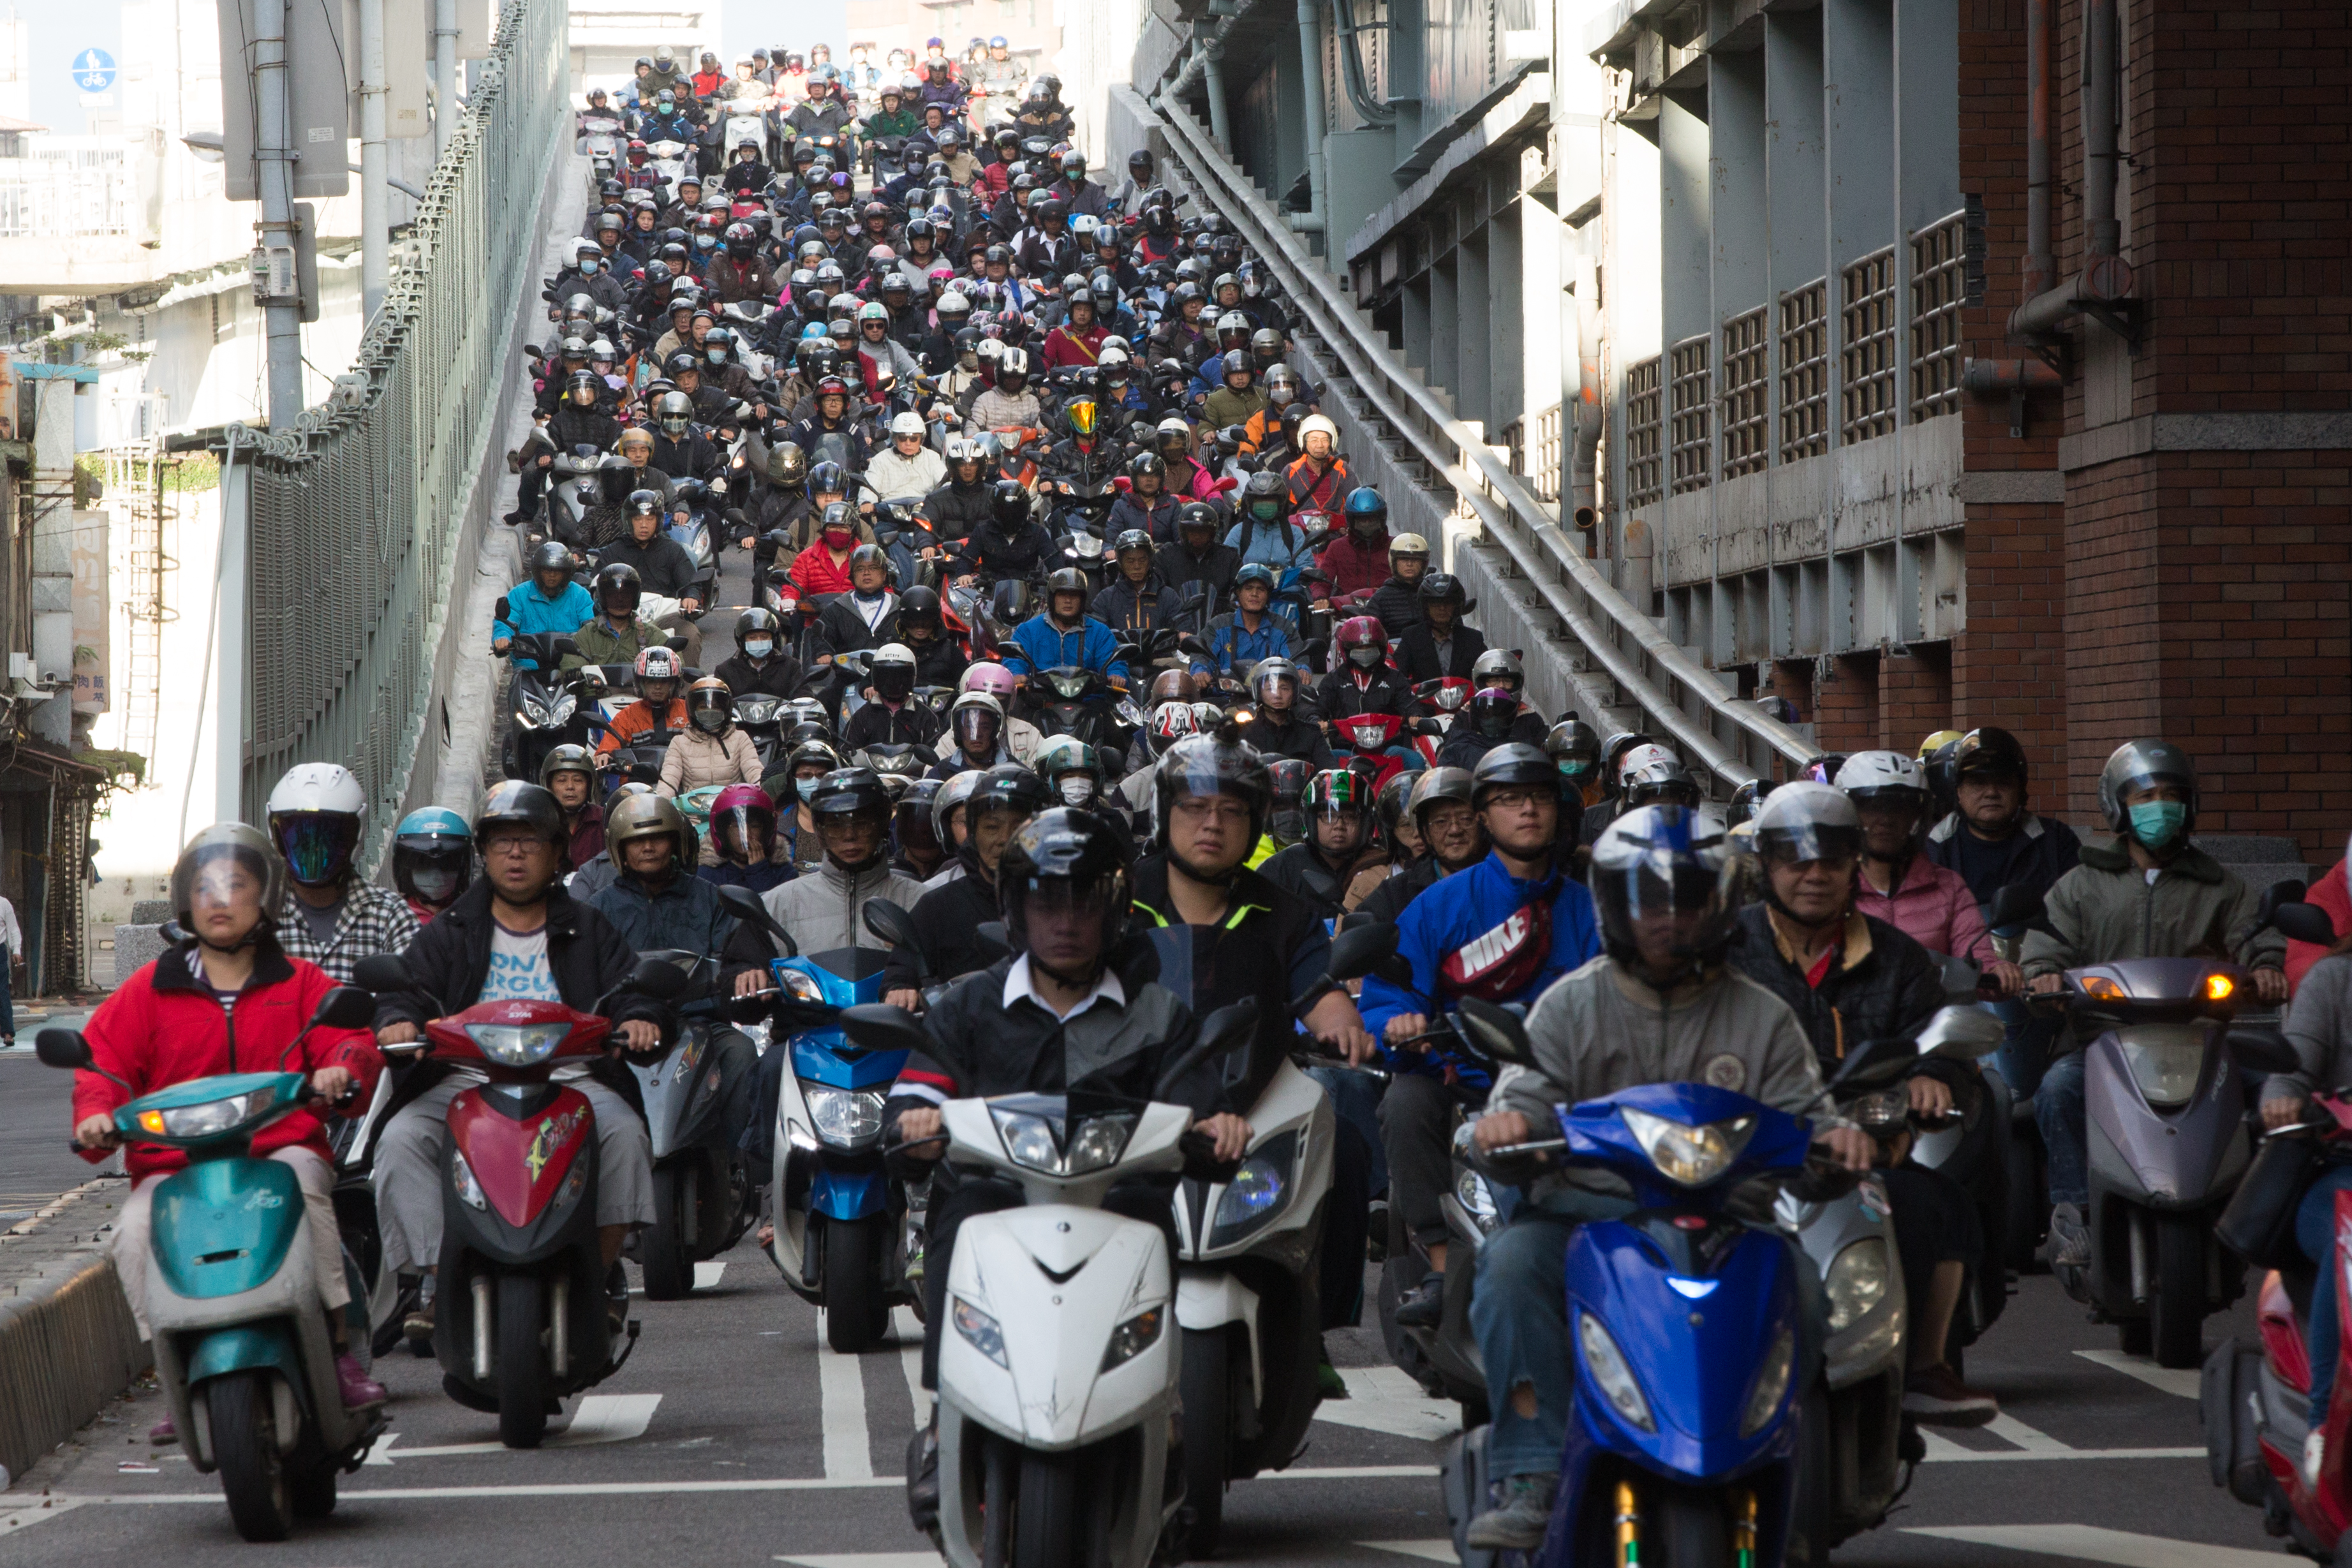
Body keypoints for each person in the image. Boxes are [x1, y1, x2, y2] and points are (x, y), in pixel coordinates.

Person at [1459, 805, 1873, 1547]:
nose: (1668, 918)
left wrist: (1838, 1143)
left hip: (1730, 1219)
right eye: (1648, 898)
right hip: (1589, 1215)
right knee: (1511, 1262)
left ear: (1720, 904)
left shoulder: (1763, 1016)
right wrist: (1510, 1124)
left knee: (1804, 1290)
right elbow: (1522, 1093)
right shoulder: (1571, 1003)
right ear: (1614, 904)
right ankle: (1536, 1468)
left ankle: (1783, 1465)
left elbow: (1807, 1116)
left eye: (1687, 898)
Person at [885, 807, 1253, 1525]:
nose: (1066, 919)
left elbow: (1197, 1104)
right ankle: (942, 1424)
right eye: (1046, 899)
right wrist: (917, 1124)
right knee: (957, 1220)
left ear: (1113, 907)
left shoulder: (1157, 1012)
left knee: (1154, 1219)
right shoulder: (969, 1004)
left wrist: (1220, 1125)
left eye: (1085, 899)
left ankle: (1162, 1414)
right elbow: (915, 1090)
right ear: (1016, 908)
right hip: (997, 1197)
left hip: (1117, 1202)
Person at [71, 825, 388, 1437]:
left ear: (265, 898)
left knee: (309, 1192)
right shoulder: (148, 990)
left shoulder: (299, 982)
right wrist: (97, 1113)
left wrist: (339, 1070)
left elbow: (350, 1039)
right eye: (205, 887)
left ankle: (338, 1348)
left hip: (281, 1151)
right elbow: (101, 1062)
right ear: (186, 901)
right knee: (133, 1231)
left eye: (236, 886)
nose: (220, 900)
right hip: (174, 1167)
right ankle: (174, 1366)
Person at [1727, 781, 1999, 1425]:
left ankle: (1926, 1364)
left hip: (1862, 1147)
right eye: (1796, 859)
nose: (1814, 875)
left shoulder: (1899, 957)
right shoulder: (1725, 950)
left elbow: (1940, 1036)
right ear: (1766, 866)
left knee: (1941, 1205)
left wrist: (1933, 1074)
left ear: (1855, 863)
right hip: (1743, 1148)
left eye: (1831, 858)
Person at [368, 784, 666, 1345]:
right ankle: (439, 1282)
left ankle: (596, 1275)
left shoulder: (588, 926)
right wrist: (398, 1020)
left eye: (531, 842)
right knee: (401, 1139)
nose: (516, 854)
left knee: (626, 1133)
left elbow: (631, 988)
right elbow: (406, 990)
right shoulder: (450, 930)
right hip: (465, 1078)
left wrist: (643, 1017)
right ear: (484, 851)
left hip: (571, 1075)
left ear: (558, 853)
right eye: (503, 841)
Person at [2023, 739, 2287, 1287]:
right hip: (2101, 1041)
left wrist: (2264, 967)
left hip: (2199, 1041)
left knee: (2278, 1096)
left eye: (2171, 795)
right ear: (2117, 805)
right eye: (2145, 795)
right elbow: (2045, 945)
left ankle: (2263, 1219)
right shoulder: (2081, 883)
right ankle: (2075, 1216)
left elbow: (2255, 939)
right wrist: (2044, 974)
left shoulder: (2219, 885)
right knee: (2056, 1092)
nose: (2159, 806)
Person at [1357, 744, 1599, 1327]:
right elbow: (1387, 997)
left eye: (1539, 797)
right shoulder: (1437, 905)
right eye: (1509, 799)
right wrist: (1399, 1023)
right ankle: (1441, 1260)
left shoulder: (1591, 911)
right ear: (1484, 816)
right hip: (1459, 1078)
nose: (1527, 811)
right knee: (1404, 1101)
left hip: (1566, 1088)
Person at [1921, 725, 2082, 1089]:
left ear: (2021, 787)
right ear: (1958, 792)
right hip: (1966, 994)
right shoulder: (1934, 849)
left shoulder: (2056, 843)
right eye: (1977, 783)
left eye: (2003, 782)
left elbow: (2080, 918)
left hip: (2047, 993)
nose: (1990, 792)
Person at [723, 768, 931, 986]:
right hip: (806, 1019)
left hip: (898, 1018)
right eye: (836, 826)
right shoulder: (777, 905)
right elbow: (736, 977)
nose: (849, 836)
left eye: (861, 823)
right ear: (820, 832)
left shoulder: (923, 902)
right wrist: (749, 976)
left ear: (881, 825)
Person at [882, 766, 1047, 1007]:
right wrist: (900, 987)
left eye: (1019, 827)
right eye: (992, 827)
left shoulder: (1064, 904)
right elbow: (902, 968)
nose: (1004, 839)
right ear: (974, 833)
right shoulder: (937, 906)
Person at [1836, 751, 2008, 978]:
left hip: (1933, 1011)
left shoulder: (1949, 887)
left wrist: (1999, 972)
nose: (1886, 819)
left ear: (1916, 816)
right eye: (1874, 807)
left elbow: (1979, 961)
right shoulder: (1832, 888)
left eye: (1899, 808)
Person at [266, 763, 420, 982]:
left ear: (352, 836)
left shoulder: (388, 915)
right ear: (278, 836)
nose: (313, 849)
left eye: (327, 837)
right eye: (300, 837)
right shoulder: (261, 915)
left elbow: (415, 992)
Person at [588, 792, 737, 970]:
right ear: (620, 850)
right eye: (637, 840)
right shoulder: (600, 909)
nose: (648, 848)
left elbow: (732, 962)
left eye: (658, 838)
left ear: (675, 843)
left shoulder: (711, 899)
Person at [1356, 766, 1484, 926]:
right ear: (1426, 833)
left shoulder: (1507, 877)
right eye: (1441, 822)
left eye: (1466, 819)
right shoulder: (1396, 895)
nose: (1454, 830)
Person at [1261, 768, 1386, 921]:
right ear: (1310, 820)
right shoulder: (1281, 867)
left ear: (1366, 823)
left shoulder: (1380, 866)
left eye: (1350, 817)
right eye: (1328, 816)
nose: (1339, 825)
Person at [1001, 568, 1130, 681]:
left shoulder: (1100, 632)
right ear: (1052, 598)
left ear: (1082, 600)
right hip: (1040, 700)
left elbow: (1113, 661)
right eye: (1062, 595)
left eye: (1074, 596)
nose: (1068, 601)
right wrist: (1017, 674)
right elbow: (1015, 659)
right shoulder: (1028, 630)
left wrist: (1116, 675)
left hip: (1088, 701)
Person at [494, 541, 596, 665]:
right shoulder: (519, 594)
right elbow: (507, 624)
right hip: (529, 668)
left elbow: (591, 627)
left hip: (568, 668)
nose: (552, 576)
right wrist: (502, 638)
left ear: (566, 573)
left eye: (557, 572)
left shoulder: (580, 595)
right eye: (547, 571)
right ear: (538, 571)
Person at [1191, 563, 1294, 681]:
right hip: (1225, 695)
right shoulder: (1218, 625)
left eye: (1261, 589)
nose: (1254, 594)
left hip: (1270, 695)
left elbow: (1297, 657)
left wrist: (1302, 669)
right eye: (1248, 588)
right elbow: (1202, 654)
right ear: (1238, 592)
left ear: (1268, 595)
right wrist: (1200, 671)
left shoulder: (1283, 627)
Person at [562, 563, 671, 671]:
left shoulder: (651, 635)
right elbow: (572, 666)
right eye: (612, 595)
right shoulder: (587, 635)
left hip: (639, 689)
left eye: (626, 594)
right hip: (598, 688)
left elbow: (673, 661)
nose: (620, 600)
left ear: (635, 597)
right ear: (603, 597)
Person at [841, 642, 947, 749]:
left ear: (913, 677)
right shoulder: (863, 716)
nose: (893, 683)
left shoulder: (925, 716)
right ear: (875, 677)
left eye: (900, 677)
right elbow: (846, 752)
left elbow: (938, 754)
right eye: (886, 677)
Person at [597, 645, 691, 758]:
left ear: (674, 683)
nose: (657, 687)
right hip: (638, 775)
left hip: (683, 773)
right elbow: (607, 747)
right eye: (651, 681)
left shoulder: (688, 711)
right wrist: (604, 754)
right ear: (640, 683)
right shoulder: (628, 715)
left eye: (664, 681)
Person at [1243, 656, 1334, 767]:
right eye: (1270, 688)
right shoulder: (1244, 735)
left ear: (1295, 692)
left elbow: (1330, 772)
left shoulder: (1311, 734)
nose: (1277, 695)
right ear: (1259, 692)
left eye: (1285, 688)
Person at [1393, 572, 1484, 683]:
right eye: (1435, 604)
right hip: (1423, 700)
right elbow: (1397, 676)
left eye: (1448, 603)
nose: (1442, 608)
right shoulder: (1411, 637)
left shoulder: (1474, 639)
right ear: (1426, 607)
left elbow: (1486, 675)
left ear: (1456, 606)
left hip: (1466, 700)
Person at [392, 807, 474, 925]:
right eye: (423, 866)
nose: (436, 877)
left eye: (447, 866)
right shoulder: (393, 919)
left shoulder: (475, 916)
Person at [702, 784, 791, 892]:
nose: (746, 833)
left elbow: (776, 907)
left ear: (766, 830)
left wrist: (759, 871)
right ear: (724, 830)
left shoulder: (783, 872)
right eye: (737, 826)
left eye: (755, 826)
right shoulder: (707, 874)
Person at [540, 744, 606, 872]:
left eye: (578, 780)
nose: (570, 787)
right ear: (549, 786)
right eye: (561, 781)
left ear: (589, 785)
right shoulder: (537, 824)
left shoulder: (604, 821)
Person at [713, 607, 802, 700]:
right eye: (752, 638)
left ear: (774, 639)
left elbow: (804, 697)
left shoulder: (791, 666)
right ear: (742, 640)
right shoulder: (725, 671)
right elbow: (718, 704)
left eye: (764, 637)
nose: (759, 641)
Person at [868, 411, 949, 500]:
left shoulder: (932, 457)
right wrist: (867, 503)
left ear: (921, 439)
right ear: (895, 438)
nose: (908, 443)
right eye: (903, 438)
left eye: (913, 439)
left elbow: (945, 484)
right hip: (890, 508)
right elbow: (869, 488)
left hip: (924, 509)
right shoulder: (880, 459)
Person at [1366, 533, 1431, 637]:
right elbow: (1369, 632)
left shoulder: (1431, 593)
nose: (1410, 564)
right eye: (1404, 559)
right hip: (1393, 652)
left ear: (1424, 563)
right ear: (1394, 561)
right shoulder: (1381, 597)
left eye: (1415, 559)